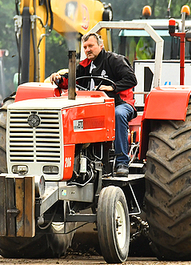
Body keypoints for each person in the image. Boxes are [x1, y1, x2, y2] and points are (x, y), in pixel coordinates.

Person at [48, 32, 137, 177]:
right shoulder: (84, 66)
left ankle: (122, 162)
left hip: (120, 103)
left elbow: (131, 79)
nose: (87, 49)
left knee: (118, 114)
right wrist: (59, 79)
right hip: (95, 106)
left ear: (100, 45)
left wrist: (113, 87)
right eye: (85, 47)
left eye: (91, 46)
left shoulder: (115, 60)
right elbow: (70, 80)